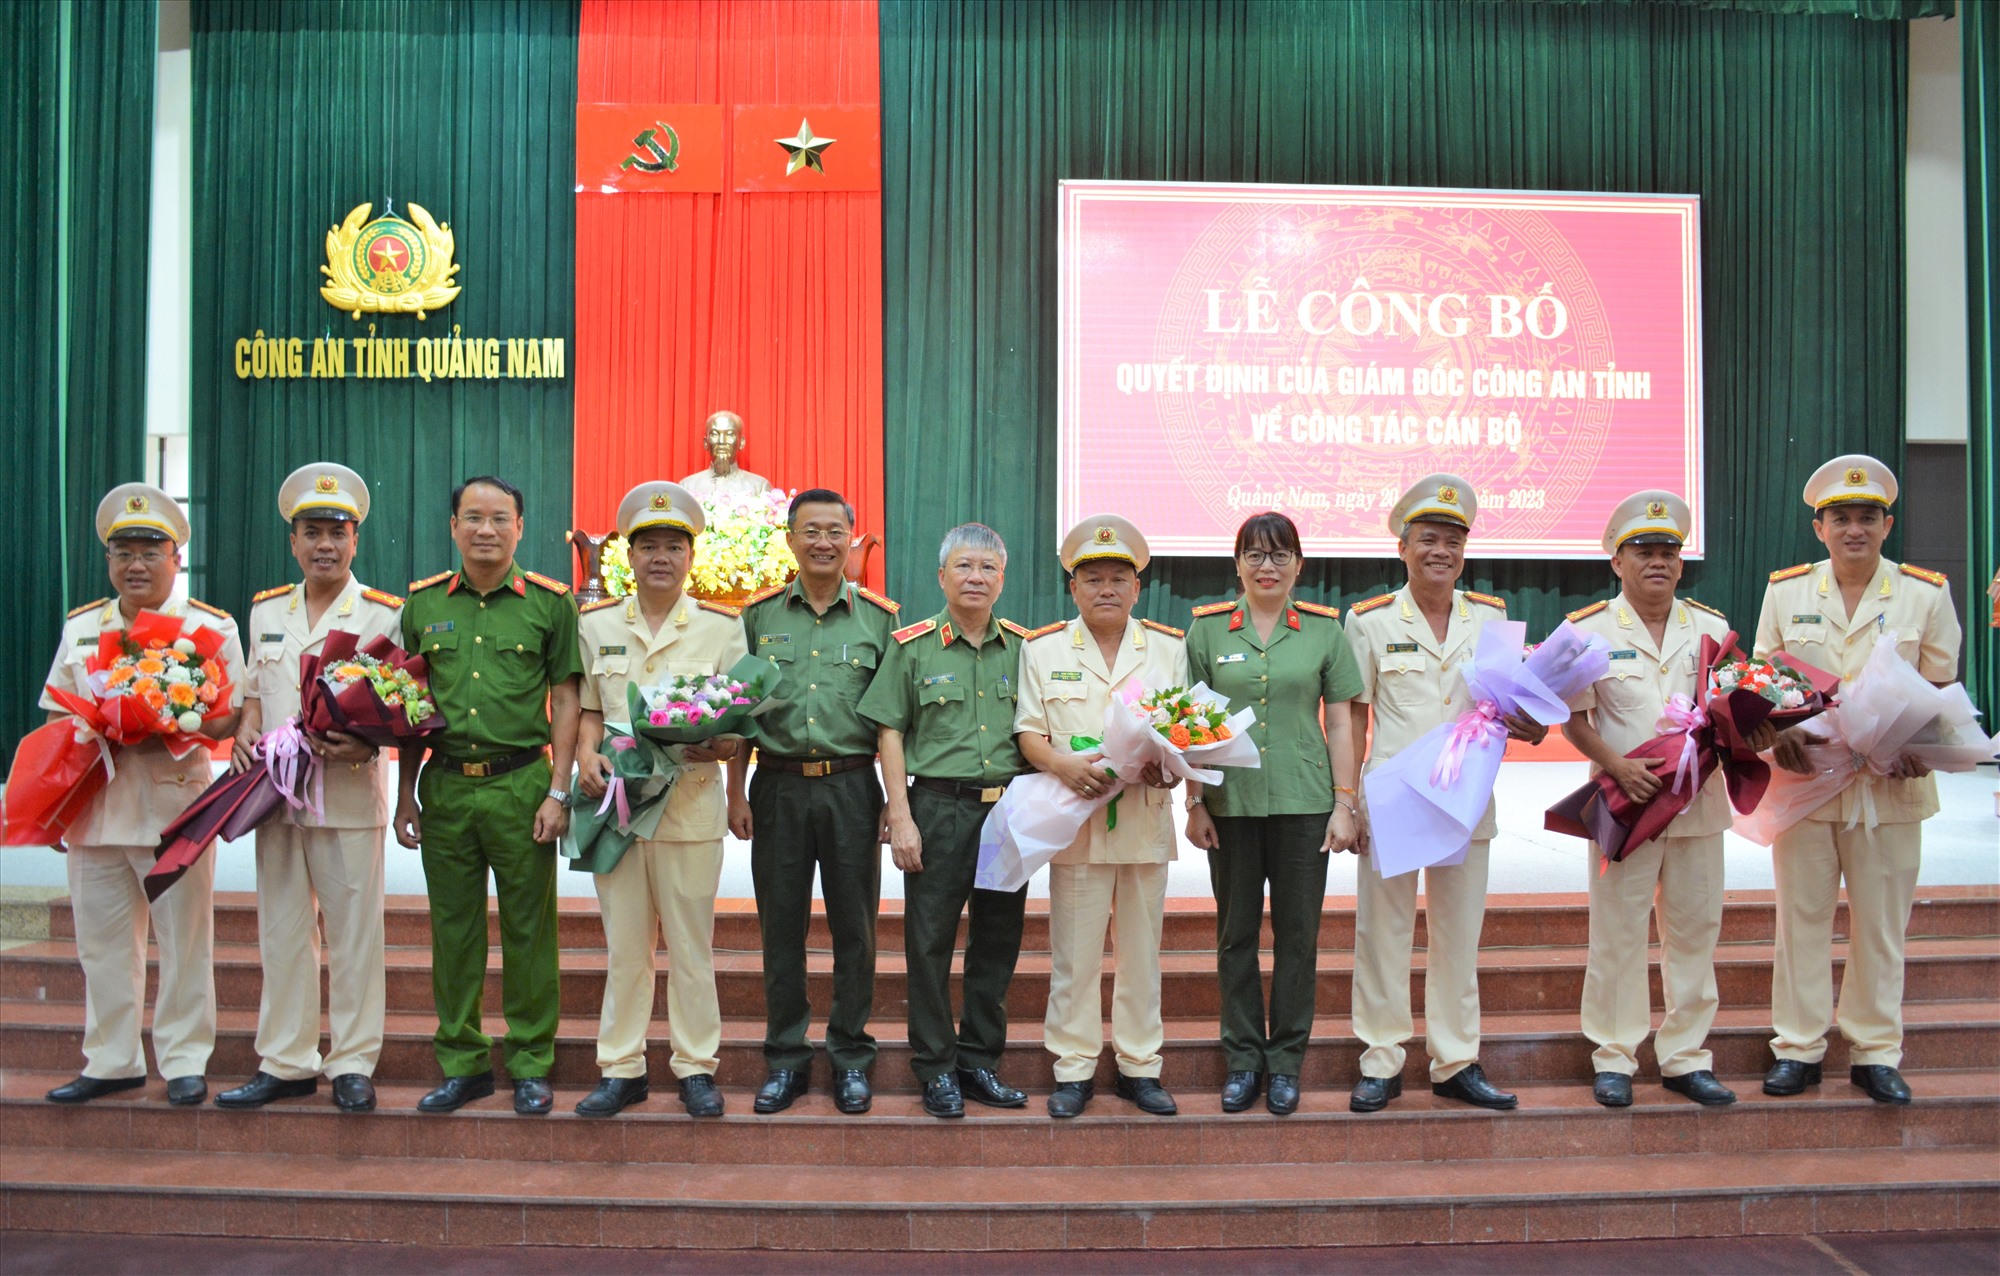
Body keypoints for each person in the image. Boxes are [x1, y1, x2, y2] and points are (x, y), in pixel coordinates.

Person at [1756, 454, 1962, 1105]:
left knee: (1880, 926)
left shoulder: (1924, 593)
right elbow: (1761, 678)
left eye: (1867, 517)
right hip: (1806, 785)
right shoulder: (1787, 591)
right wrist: (1778, 730)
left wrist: (1923, 743)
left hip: (1889, 786)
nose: (1855, 529)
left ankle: (1875, 1053)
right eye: (1841, 517)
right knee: (1801, 922)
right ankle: (1798, 1048)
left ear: (1887, 525)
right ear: (1820, 528)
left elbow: (1942, 686)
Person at [1344, 475, 1546, 1113]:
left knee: (1459, 936)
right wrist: (1348, 800)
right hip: (1393, 800)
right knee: (1384, 934)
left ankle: (1455, 1060)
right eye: (1429, 539)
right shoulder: (1370, 621)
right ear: (1402, 548)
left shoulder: (1491, 617)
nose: (1442, 551)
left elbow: (1508, 704)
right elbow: (1353, 715)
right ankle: (1381, 1059)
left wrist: (1534, 718)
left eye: (1454, 541)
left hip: (1466, 799)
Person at [40, 483, 244, 1106]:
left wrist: (175, 716)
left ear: (176, 558)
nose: (136, 564)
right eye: (123, 552)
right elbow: (57, 718)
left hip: (174, 809)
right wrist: (55, 806)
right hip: (96, 810)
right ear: (108, 559)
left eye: (151, 551)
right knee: (101, 945)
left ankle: (184, 1060)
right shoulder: (83, 627)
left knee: (184, 942)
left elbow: (229, 720)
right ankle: (112, 1060)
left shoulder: (209, 627)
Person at [394, 476, 582, 1116]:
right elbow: (408, 707)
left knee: (530, 931)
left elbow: (566, 698)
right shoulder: (421, 605)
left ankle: (530, 1062)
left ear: (520, 527)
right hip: (445, 785)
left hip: (521, 784)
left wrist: (559, 791)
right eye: (472, 517)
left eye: (500, 518)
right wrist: (405, 795)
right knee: (453, 932)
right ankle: (463, 1063)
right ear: (453, 526)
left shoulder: (551, 604)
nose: (486, 530)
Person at [216, 464, 399, 1113]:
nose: (325, 545)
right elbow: (252, 692)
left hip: (346, 794)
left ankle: (352, 1062)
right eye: (313, 533)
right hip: (275, 800)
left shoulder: (384, 614)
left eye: (337, 533)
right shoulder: (267, 610)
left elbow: (403, 703)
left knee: (355, 938)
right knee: (283, 933)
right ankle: (286, 1061)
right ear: (293, 541)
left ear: (355, 541)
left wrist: (370, 744)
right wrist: (244, 730)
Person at [1561, 491, 1752, 1109]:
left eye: (1669, 551)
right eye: (1643, 551)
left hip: (1698, 806)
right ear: (1617, 561)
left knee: (1694, 934)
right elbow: (1574, 719)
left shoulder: (1712, 628)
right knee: (1617, 933)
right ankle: (1614, 1056)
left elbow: (1733, 712)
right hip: (1625, 805)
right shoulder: (1589, 630)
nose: (1658, 562)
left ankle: (1685, 1057)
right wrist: (1616, 764)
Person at [571, 482, 747, 1119]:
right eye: (648, 546)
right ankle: (621, 1068)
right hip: (617, 806)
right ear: (629, 555)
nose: (661, 558)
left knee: (691, 947)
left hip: (687, 805)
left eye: (674, 546)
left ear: (691, 556)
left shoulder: (722, 627)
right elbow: (590, 710)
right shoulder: (595, 624)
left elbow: (740, 720)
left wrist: (721, 745)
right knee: (625, 948)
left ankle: (696, 1066)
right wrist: (585, 755)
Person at [1183, 511, 1362, 1116]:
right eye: (1255, 555)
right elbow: (1186, 723)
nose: (1268, 567)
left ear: (1298, 565)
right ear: (1237, 564)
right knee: (1234, 937)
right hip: (1230, 805)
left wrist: (1344, 803)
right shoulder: (1207, 631)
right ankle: (1242, 1060)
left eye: (1280, 555)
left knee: (1298, 940)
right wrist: (1195, 801)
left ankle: (1285, 1063)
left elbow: (1342, 722)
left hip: (1304, 804)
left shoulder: (1323, 631)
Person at [728, 489, 897, 1114]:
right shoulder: (758, 617)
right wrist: (734, 790)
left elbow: (892, 721)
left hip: (853, 787)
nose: (823, 542)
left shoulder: (880, 620)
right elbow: (740, 710)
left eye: (834, 531)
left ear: (852, 538)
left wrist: (895, 801)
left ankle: (851, 1057)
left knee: (856, 930)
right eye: (811, 531)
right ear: (790, 538)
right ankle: (786, 1059)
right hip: (777, 787)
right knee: (781, 930)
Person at [859, 523, 1034, 1119]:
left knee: (997, 942)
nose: (975, 577)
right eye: (964, 566)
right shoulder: (912, 647)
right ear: (941, 576)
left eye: (987, 568)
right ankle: (935, 1068)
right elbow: (889, 730)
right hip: (938, 808)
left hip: (1007, 810)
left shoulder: (1025, 649)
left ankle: (980, 1061)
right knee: (929, 943)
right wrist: (900, 815)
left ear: (1002, 579)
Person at [1014, 515, 1186, 1118]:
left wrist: (1170, 768)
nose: (1106, 589)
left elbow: (1184, 733)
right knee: (1074, 956)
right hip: (1075, 821)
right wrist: (1061, 765)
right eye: (1093, 579)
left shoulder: (1168, 648)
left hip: (1143, 818)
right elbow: (1029, 731)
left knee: (1142, 956)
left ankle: (1140, 1066)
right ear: (1073, 588)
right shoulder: (1042, 649)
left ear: (1138, 587)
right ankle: (1074, 1067)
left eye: (1118, 578)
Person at [679, 410, 774, 506]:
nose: (721, 441)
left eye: (729, 434)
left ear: (741, 442)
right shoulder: (687, 486)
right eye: (714, 434)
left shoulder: (759, 487)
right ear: (706, 443)